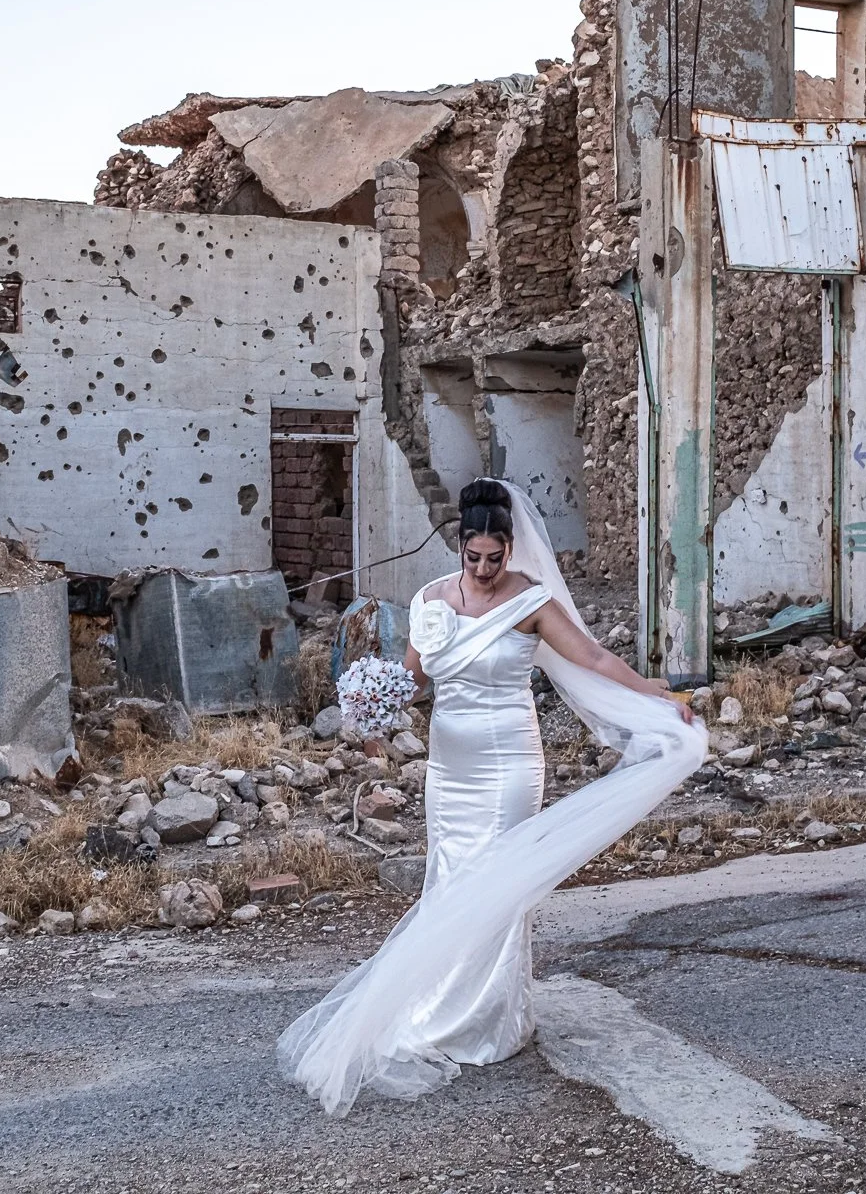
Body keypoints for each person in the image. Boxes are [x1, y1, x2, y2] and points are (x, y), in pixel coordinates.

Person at [278, 478, 708, 1117]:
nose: (482, 570)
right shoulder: (429, 601)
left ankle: (490, 1023)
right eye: (472, 557)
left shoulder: (531, 602)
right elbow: (416, 681)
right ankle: (435, 1011)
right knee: (448, 882)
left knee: (502, 887)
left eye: (494, 558)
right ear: (459, 547)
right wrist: (380, 698)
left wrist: (656, 694)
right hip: (450, 767)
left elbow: (589, 655)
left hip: (510, 763)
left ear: (511, 549)